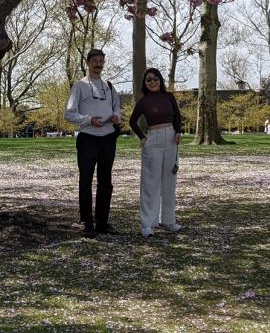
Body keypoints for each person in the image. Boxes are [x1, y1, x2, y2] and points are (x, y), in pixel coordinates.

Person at [64, 48, 122, 237]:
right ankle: (88, 222)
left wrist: (115, 117)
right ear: (88, 63)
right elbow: (69, 114)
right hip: (88, 138)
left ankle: (102, 222)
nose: (98, 64)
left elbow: (117, 109)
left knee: (106, 181)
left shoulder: (109, 86)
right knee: (86, 180)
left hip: (108, 138)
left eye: (101, 60)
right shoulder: (80, 86)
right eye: (95, 61)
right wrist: (89, 120)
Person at [128, 67, 182, 238]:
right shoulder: (144, 101)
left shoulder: (169, 97)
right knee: (150, 183)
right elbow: (132, 121)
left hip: (171, 138)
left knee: (169, 182)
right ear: (145, 83)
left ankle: (168, 220)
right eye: (148, 80)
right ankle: (147, 223)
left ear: (160, 80)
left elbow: (178, 116)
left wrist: (178, 131)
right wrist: (142, 138)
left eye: (155, 78)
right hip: (153, 139)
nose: (152, 82)